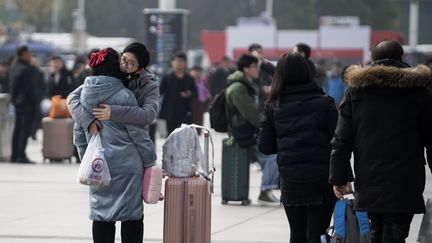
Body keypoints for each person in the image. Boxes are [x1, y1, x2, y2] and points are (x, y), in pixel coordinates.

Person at [329, 40, 432, 243]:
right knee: (396, 233)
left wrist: (339, 177)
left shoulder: (356, 90)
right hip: (406, 179)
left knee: (375, 230)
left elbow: (341, 139)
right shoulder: (419, 90)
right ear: (402, 58)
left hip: (369, 178)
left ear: (371, 59)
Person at [72, 48, 156, 243]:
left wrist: (86, 157)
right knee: (131, 215)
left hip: (99, 165)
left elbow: (78, 132)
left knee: (101, 214)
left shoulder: (84, 95)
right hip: (127, 167)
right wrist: (150, 160)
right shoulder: (124, 96)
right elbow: (138, 134)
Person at [257, 52, 338, 242]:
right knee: (318, 235)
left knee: (297, 233)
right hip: (322, 181)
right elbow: (338, 143)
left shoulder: (273, 106)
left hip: (292, 181)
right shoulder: (325, 103)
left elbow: (265, 146)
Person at [67, 42, 159, 141]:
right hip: (105, 138)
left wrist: (113, 112)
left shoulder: (149, 85)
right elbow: (72, 98)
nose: (124, 65)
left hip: (131, 140)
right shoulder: (113, 75)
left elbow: (148, 115)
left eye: (131, 63)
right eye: (123, 59)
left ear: (140, 70)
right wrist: (88, 121)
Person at [225, 53, 280, 205]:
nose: (257, 70)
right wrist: (266, 128)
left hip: (248, 132)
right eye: (255, 67)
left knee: (269, 159)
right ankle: (265, 190)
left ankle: (267, 189)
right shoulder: (238, 88)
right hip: (244, 134)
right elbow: (251, 114)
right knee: (273, 157)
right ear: (245, 69)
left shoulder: (246, 85)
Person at [9, 46, 38, 163]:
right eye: (29, 53)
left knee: (17, 130)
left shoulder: (14, 67)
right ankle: (21, 155)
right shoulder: (26, 69)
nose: (31, 55)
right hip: (26, 104)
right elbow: (29, 88)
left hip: (17, 103)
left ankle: (15, 155)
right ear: (24, 54)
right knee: (24, 130)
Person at [159, 52, 197, 135]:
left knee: (183, 136)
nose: (179, 63)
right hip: (170, 112)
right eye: (177, 61)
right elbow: (159, 91)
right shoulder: (167, 76)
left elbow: (195, 93)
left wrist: (189, 94)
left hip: (185, 112)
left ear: (185, 63)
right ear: (172, 63)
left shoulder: (189, 78)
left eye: (181, 61)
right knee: (171, 135)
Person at [190, 65, 210, 130]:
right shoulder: (189, 80)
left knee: (200, 118)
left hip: (201, 102)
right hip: (192, 102)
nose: (197, 73)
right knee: (192, 118)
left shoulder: (203, 80)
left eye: (199, 71)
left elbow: (206, 91)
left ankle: (198, 132)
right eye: (195, 71)